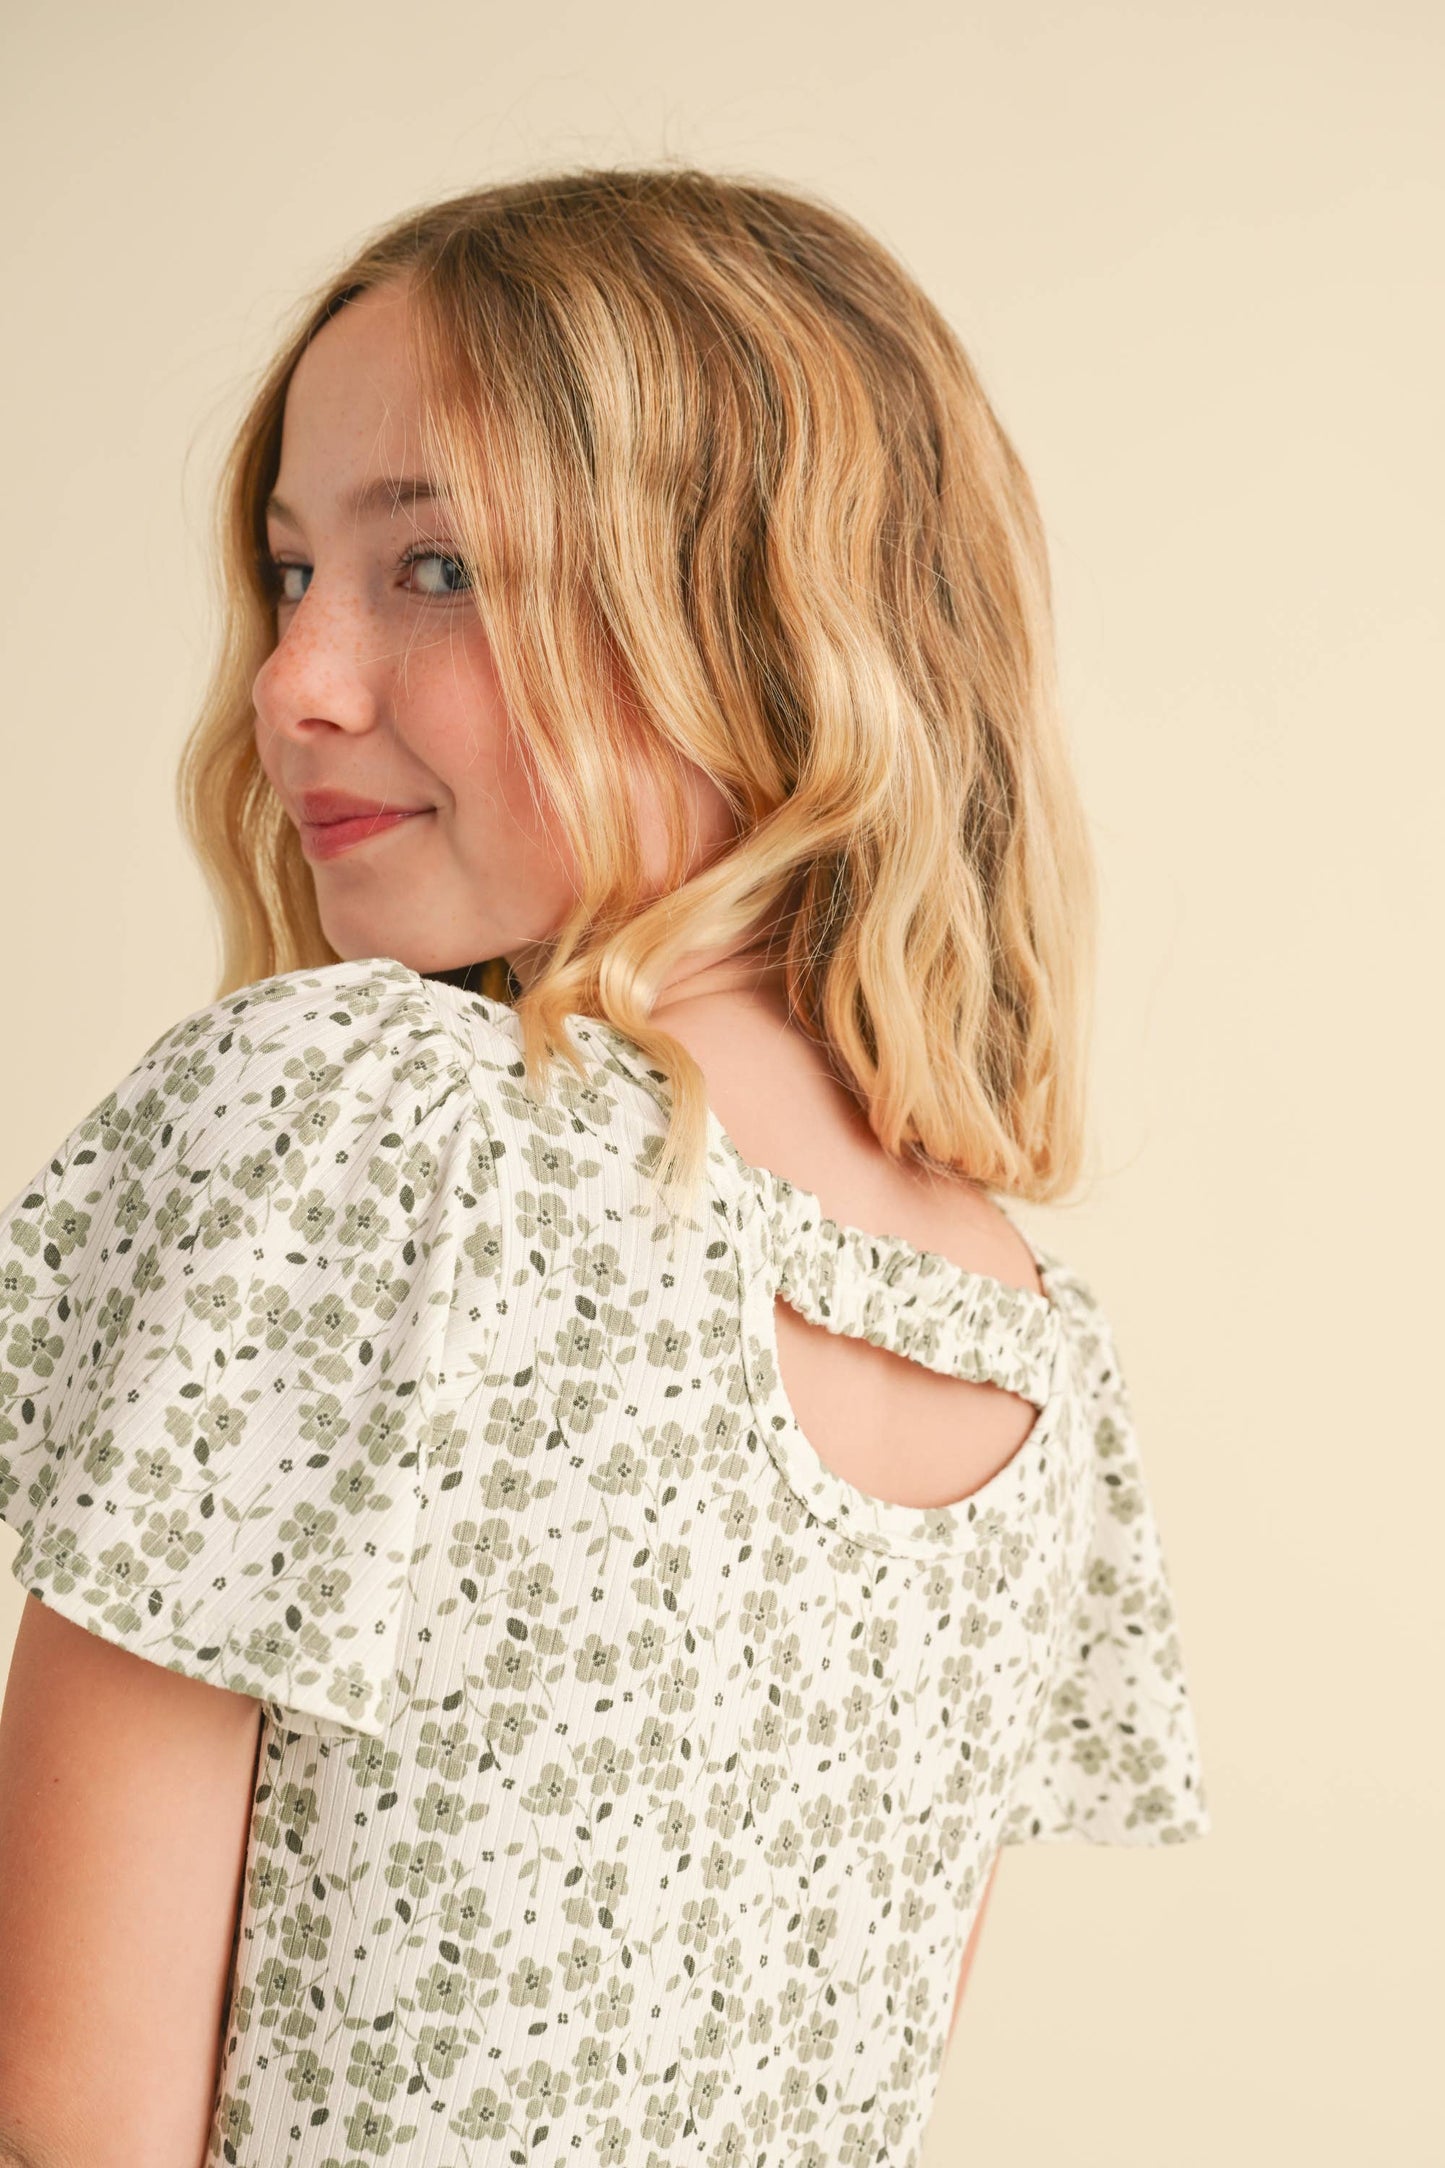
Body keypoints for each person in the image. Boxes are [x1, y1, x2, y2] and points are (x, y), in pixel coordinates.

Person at [0, 166, 1209, 2168]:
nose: (295, 679)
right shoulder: (1026, 1351)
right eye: (293, 572)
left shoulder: (370, 1124)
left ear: (761, 619)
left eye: (440, 571)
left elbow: (66, 2102)